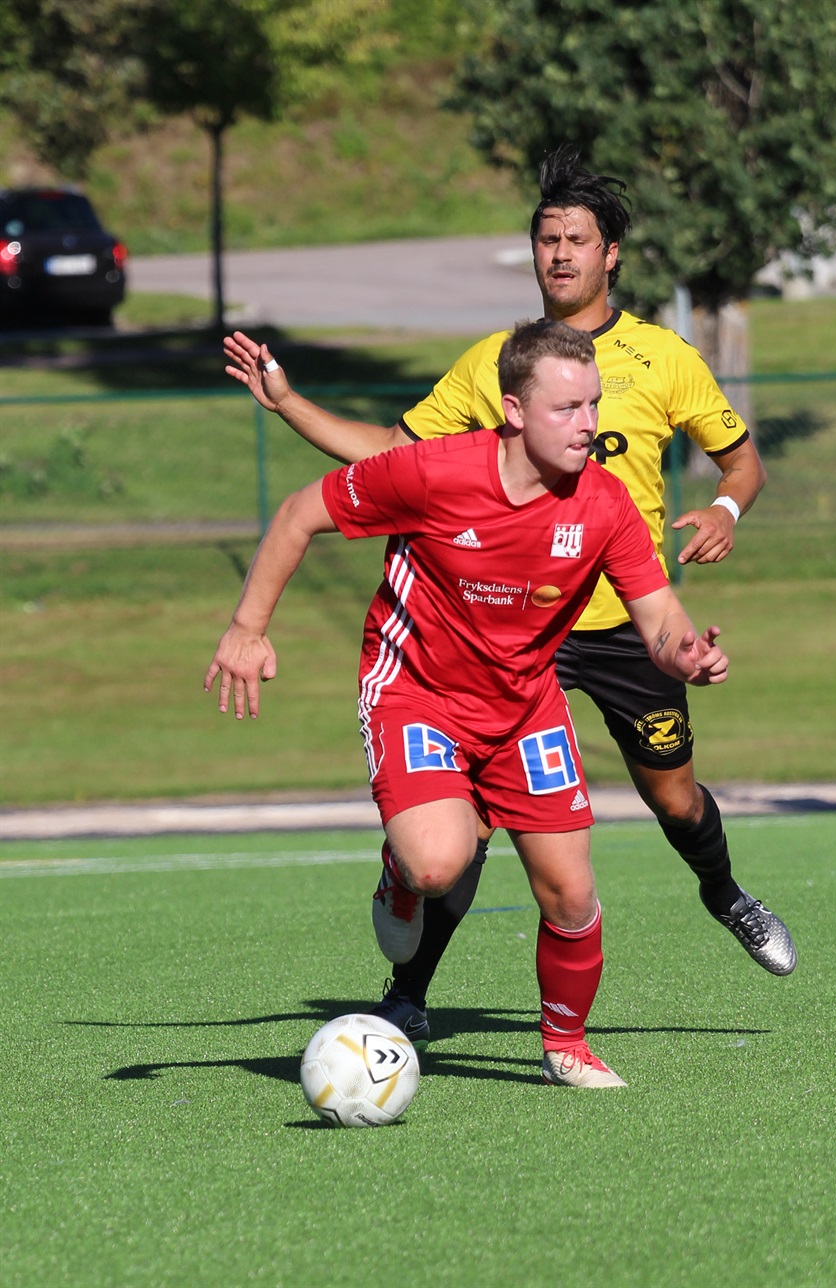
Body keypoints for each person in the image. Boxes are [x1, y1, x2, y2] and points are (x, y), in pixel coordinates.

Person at [222, 145, 796, 1050]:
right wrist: (291, 405)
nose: (559, 254)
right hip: (515, 635)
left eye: (577, 240)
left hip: (630, 624)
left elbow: (744, 463)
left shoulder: (663, 357)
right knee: (474, 821)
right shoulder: (500, 363)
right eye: (545, 240)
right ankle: (408, 992)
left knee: (676, 798)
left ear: (611, 255)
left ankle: (726, 895)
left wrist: (725, 509)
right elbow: (394, 456)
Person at [206, 321, 730, 1088]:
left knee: (572, 894)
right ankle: (400, 878)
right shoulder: (434, 473)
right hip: (415, 690)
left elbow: (658, 618)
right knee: (437, 863)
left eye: (593, 404)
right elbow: (299, 514)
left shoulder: (604, 504)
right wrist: (248, 629)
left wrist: (685, 653)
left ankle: (566, 1047)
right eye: (567, 408)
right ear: (514, 411)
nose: (588, 423)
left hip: (524, 704)